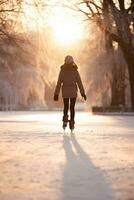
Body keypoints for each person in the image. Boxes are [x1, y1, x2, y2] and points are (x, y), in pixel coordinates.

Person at [54, 55, 86, 131]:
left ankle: (65, 119)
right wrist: (83, 93)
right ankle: (72, 122)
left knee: (66, 106)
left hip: (65, 91)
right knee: (72, 108)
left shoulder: (62, 71)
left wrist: (56, 94)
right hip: (73, 92)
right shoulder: (75, 71)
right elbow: (79, 83)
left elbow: (59, 83)